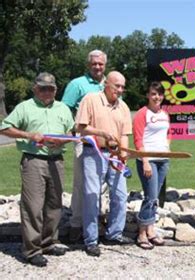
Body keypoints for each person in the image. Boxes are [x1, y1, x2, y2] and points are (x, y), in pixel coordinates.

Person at [0, 73, 74, 267]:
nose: (47, 92)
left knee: (54, 204)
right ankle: (32, 250)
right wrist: (29, 135)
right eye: (43, 88)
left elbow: (72, 131)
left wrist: (63, 139)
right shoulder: (25, 107)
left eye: (50, 88)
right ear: (35, 88)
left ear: (56, 90)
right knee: (33, 206)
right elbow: (4, 128)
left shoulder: (63, 108)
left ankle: (49, 242)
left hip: (57, 160)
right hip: (34, 160)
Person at [75, 71, 133, 257]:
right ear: (106, 84)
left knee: (120, 195)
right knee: (92, 196)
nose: (120, 90)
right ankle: (91, 240)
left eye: (123, 87)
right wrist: (101, 133)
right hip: (93, 153)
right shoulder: (91, 100)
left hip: (115, 155)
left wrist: (123, 155)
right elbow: (80, 128)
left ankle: (114, 233)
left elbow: (124, 134)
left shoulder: (123, 106)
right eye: (117, 86)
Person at [62, 50, 107, 243]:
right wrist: (72, 129)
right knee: (82, 183)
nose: (97, 67)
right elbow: (64, 109)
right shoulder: (77, 84)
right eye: (94, 64)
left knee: (103, 183)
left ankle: (97, 219)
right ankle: (77, 223)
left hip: (106, 142)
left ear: (105, 65)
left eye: (101, 64)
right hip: (85, 140)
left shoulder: (109, 84)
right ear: (88, 65)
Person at [133, 82, 170, 250]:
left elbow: (168, 133)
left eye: (160, 94)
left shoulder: (165, 113)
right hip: (148, 161)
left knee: (154, 197)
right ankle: (141, 233)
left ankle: (151, 229)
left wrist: (167, 148)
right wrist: (146, 160)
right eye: (154, 94)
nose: (157, 97)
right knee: (150, 197)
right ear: (148, 95)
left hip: (163, 160)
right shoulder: (142, 114)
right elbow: (138, 139)